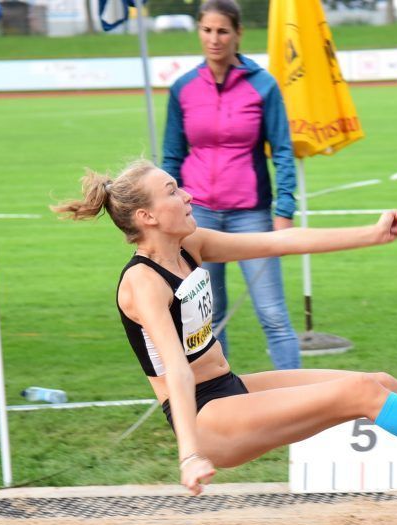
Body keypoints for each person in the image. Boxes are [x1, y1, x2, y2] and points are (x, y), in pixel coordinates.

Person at [52, 160, 397, 495]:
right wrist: (190, 454)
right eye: (172, 191)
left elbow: (279, 242)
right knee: (359, 394)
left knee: (378, 381)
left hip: (228, 390)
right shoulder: (142, 283)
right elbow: (173, 368)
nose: (187, 194)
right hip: (206, 420)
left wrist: (372, 235)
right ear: (146, 216)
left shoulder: (189, 245)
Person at [162, 0, 300, 369]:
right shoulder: (183, 89)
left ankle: (300, 403)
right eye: (207, 30)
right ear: (199, 32)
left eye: (223, 31)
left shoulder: (263, 86)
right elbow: (171, 159)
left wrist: (284, 211)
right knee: (209, 318)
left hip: (251, 215)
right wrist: (165, 215)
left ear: (238, 34)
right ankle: (221, 402)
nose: (214, 39)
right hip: (199, 216)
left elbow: (283, 151)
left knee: (272, 313)